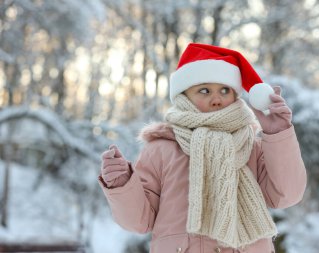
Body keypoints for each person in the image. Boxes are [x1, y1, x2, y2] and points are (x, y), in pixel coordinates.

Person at [98, 43, 307, 253]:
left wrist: (278, 133)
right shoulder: (161, 148)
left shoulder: (251, 146)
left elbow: (286, 195)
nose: (216, 99)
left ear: (235, 96)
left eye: (225, 90)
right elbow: (139, 221)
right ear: (184, 96)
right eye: (204, 90)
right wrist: (122, 183)